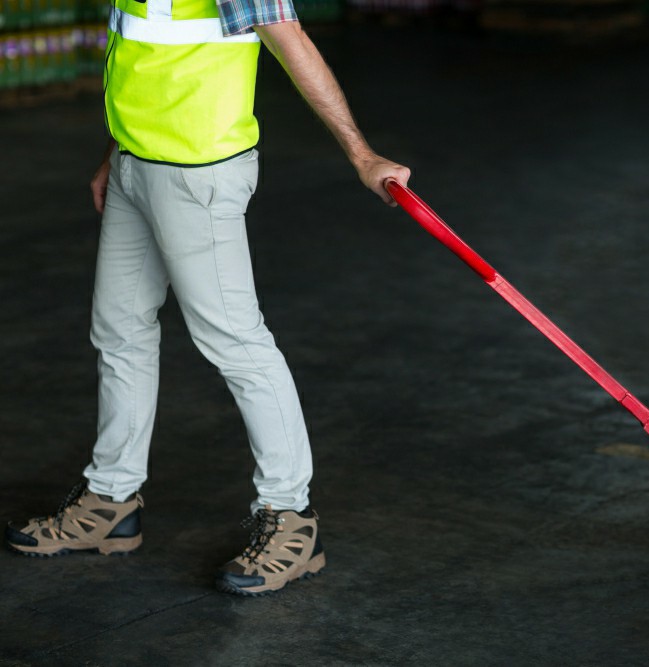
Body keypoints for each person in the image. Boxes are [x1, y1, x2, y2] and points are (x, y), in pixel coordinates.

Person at [4, 0, 410, 596]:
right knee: (119, 330)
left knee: (235, 341)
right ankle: (111, 501)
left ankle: (292, 520)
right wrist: (119, 152)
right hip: (135, 163)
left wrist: (362, 154)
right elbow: (147, 56)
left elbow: (288, 36)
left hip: (197, 174)